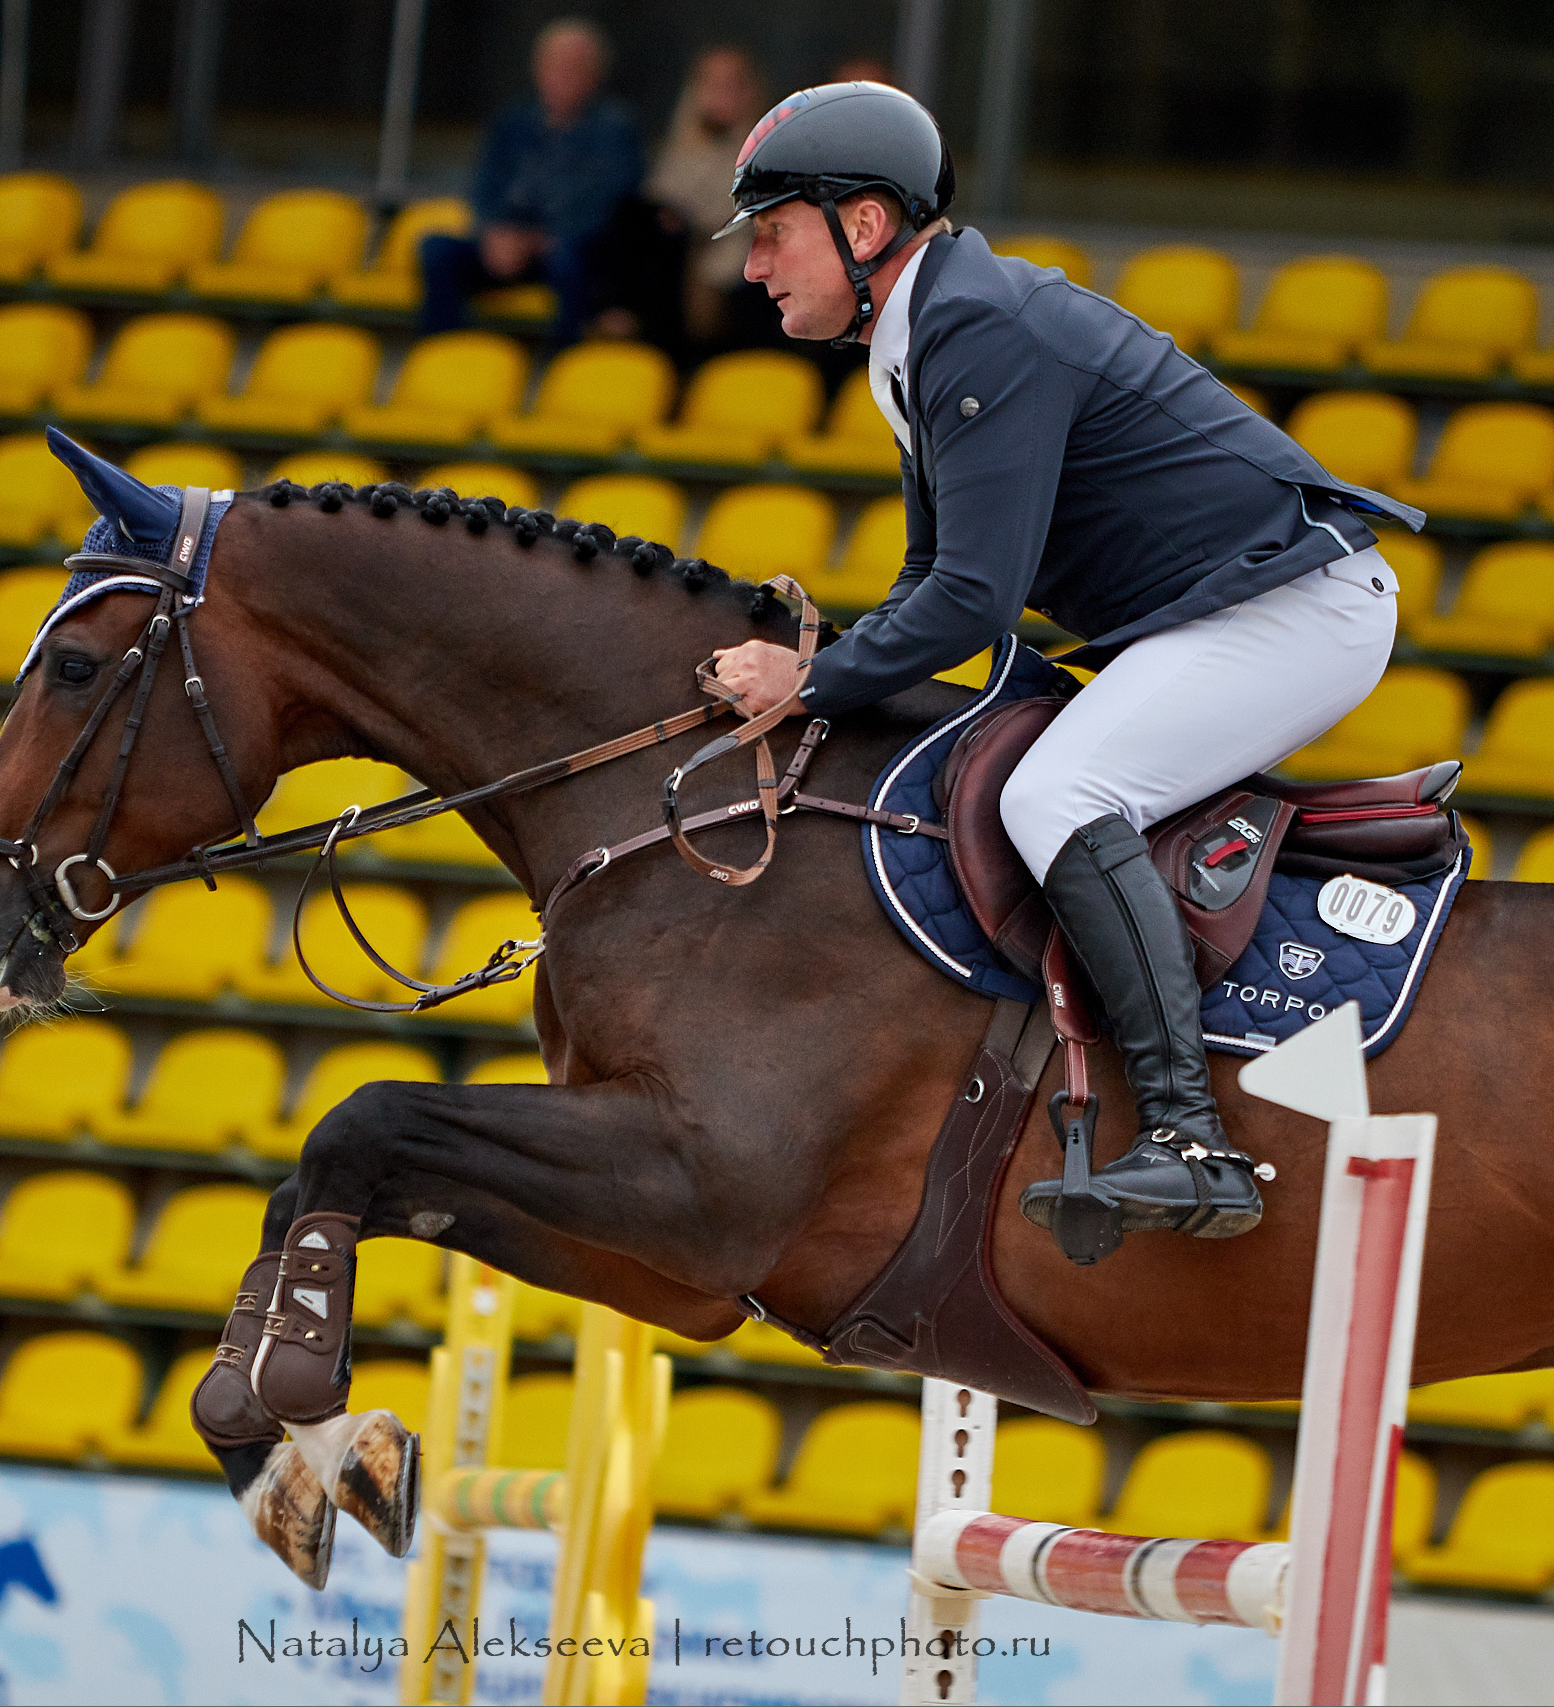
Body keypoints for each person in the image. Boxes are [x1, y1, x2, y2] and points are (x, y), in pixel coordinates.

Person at [706, 83, 1422, 1261]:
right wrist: (835, 676)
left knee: (1058, 793)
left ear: (866, 226)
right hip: (1213, 612)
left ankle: (1191, 1137)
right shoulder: (922, 334)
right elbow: (931, 572)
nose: (754, 267)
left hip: (1294, 611)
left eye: (772, 231)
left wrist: (809, 681)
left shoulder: (976, 325)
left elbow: (971, 601)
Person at [419, 18, 643, 348]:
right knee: (435, 249)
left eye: (576, 67)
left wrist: (540, 240)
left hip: (568, 249)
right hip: (506, 243)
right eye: (556, 66)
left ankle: (563, 365)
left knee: (570, 261)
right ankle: (442, 354)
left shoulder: (615, 130)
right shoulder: (512, 123)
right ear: (538, 69)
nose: (564, 76)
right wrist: (493, 231)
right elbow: (485, 185)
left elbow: (612, 203)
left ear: (596, 75)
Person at [642, 45, 764, 347]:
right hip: (671, 260)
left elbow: (734, 216)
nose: (720, 95)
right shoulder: (675, 149)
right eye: (711, 84)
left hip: (726, 263)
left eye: (730, 85)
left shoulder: (762, 151)